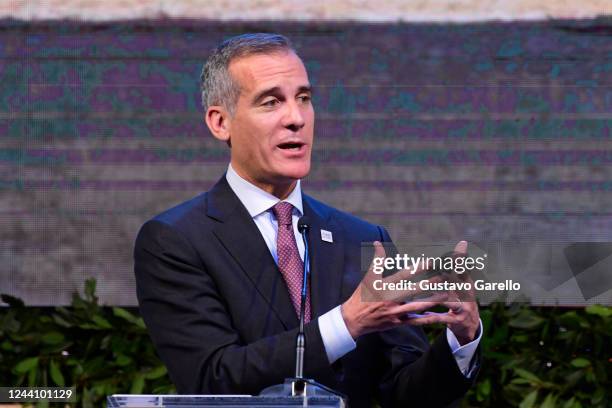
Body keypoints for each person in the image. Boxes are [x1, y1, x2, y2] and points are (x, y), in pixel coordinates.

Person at [134, 33, 482, 408]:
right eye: (271, 102)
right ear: (221, 123)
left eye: (304, 98)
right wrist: (347, 323)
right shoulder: (176, 239)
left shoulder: (362, 237)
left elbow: (403, 394)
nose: (296, 118)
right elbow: (212, 378)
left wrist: (462, 338)